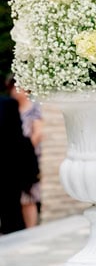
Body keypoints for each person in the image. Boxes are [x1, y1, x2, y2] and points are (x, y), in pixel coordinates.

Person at [6, 75, 43, 227]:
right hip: (12, 158)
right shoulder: (9, 108)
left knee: (29, 195)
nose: (14, 92)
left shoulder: (34, 108)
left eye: (17, 87)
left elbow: (38, 133)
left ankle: (31, 229)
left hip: (28, 157)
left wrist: (24, 151)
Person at [0, 94, 39, 234]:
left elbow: (16, 134)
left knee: (12, 210)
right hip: (12, 165)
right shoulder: (8, 103)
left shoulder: (8, 103)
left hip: (10, 166)